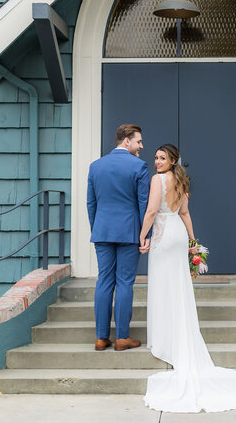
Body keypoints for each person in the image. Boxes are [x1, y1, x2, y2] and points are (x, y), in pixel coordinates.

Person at [139, 144, 236, 413]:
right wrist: (192, 241)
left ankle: (165, 340)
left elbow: (152, 211)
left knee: (164, 287)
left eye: (162, 158)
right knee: (178, 286)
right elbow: (185, 213)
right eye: (155, 158)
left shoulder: (158, 180)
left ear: (173, 160)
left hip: (163, 235)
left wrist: (143, 235)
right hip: (176, 231)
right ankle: (177, 333)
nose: (157, 162)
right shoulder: (181, 180)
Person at [87, 123, 150, 352]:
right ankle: (122, 337)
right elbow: (143, 203)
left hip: (102, 231)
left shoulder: (96, 166)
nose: (141, 146)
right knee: (124, 282)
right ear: (126, 141)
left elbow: (91, 203)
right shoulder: (139, 166)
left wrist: (98, 228)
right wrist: (146, 234)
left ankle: (101, 338)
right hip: (129, 232)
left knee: (104, 281)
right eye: (138, 141)